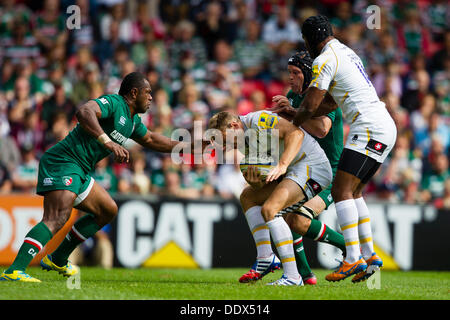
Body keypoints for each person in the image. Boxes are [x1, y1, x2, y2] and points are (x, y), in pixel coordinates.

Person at [0, 72, 204, 282]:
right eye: (148, 92)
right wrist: (107, 142)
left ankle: (58, 258)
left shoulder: (132, 121)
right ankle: (15, 270)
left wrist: (192, 147)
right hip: (63, 161)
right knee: (57, 217)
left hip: (80, 168)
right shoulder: (115, 103)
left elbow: (151, 139)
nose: (151, 97)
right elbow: (84, 111)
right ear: (134, 93)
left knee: (107, 210)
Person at [292, 15, 397, 282]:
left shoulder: (324, 59)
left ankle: (352, 258)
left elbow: (313, 105)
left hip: (369, 128)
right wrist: (297, 110)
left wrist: (292, 120)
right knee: (355, 192)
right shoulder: (346, 53)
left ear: (310, 39)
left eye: (305, 40)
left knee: (341, 191)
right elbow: (330, 103)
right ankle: (369, 253)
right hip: (383, 125)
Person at [239, 51, 345, 285]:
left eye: (296, 73)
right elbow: (285, 131)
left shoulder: (325, 98)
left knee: (297, 219)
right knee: (253, 198)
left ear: (309, 75)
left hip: (330, 175)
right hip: (302, 167)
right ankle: (298, 273)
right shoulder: (291, 97)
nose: (291, 78)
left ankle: (348, 250)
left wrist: (293, 112)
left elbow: (322, 130)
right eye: (289, 73)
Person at [208, 110, 333, 286]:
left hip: (312, 166)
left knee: (270, 210)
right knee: (248, 196)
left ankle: (292, 277)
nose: (224, 146)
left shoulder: (258, 121)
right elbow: (265, 179)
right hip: (294, 171)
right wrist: (257, 184)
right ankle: (266, 257)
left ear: (234, 126)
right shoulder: (242, 141)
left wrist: (282, 165)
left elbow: (295, 133)